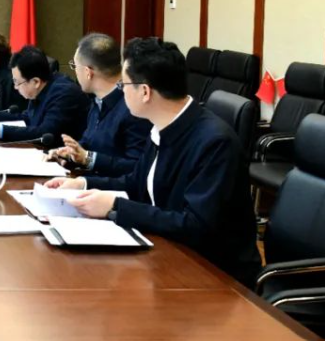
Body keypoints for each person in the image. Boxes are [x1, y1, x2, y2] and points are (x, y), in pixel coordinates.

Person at [45, 37, 261, 287]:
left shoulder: (215, 143)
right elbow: (136, 182)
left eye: (124, 84)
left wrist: (115, 205)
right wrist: (83, 184)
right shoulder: (161, 126)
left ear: (145, 92)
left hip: (214, 275)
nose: (121, 91)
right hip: (169, 252)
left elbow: (196, 226)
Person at [48, 33, 150, 176]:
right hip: (90, 181)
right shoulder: (97, 101)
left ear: (88, 72)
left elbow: (135, 168)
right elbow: (89, 142)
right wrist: (71, 154)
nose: (75, 71)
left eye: (74, 66)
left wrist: (88, 158)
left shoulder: (133, 107)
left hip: (110, 188)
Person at [0, 45, 89, 148]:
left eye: (17, 82)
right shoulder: (41, 87)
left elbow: (44, 133)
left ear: (35, 82)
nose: (15, 87)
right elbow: (27, 118)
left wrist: (1, 132)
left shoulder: (64, 94)